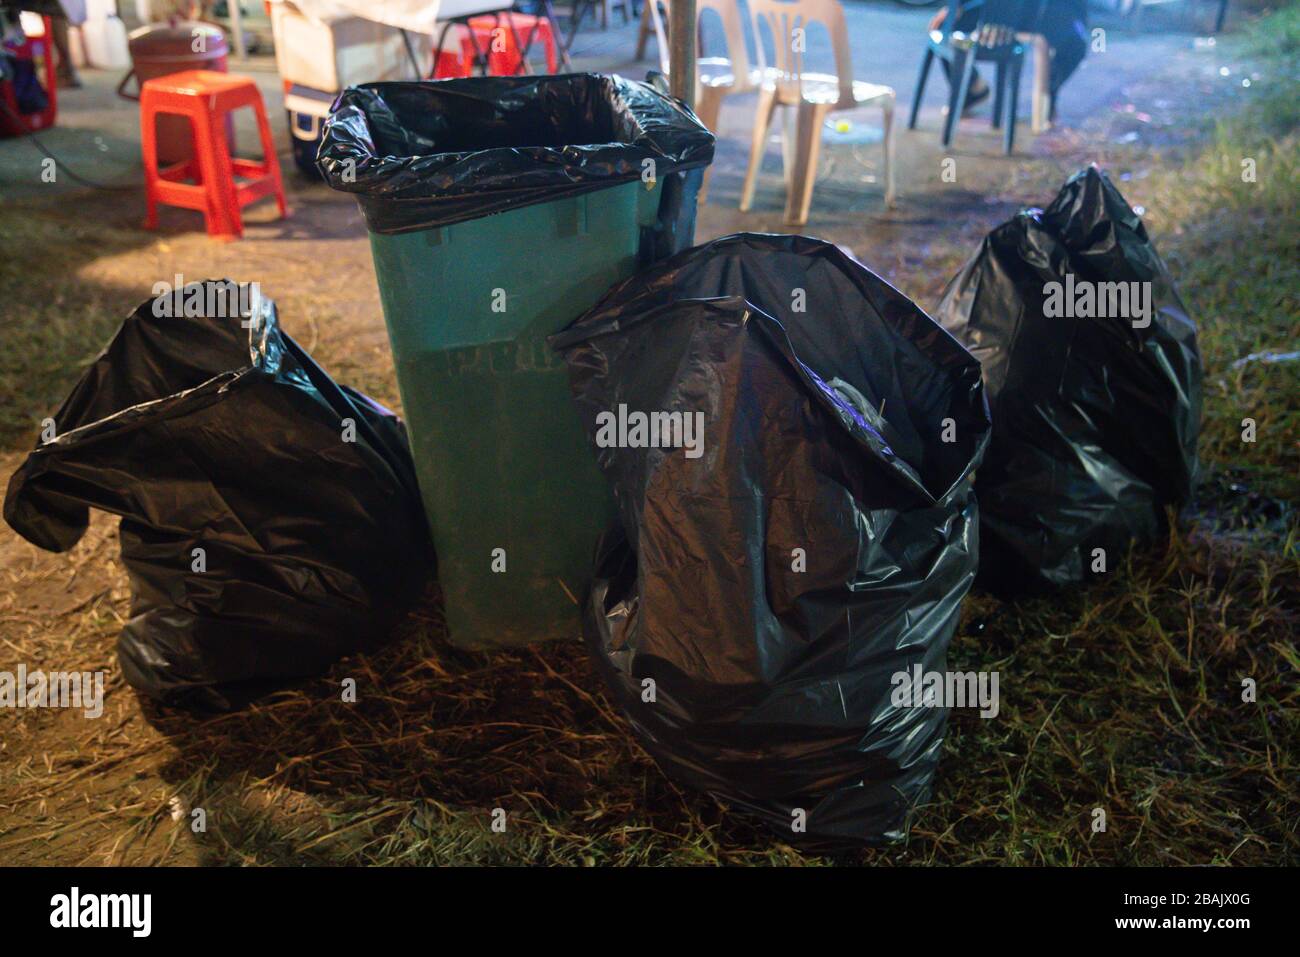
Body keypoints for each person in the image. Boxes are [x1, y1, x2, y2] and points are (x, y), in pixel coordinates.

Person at [931, 1, 1088, 119]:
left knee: (1076, 40)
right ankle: (973, 87)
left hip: (1041, 11)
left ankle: (1047, 97)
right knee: (944, 26)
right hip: (997, 13)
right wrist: (955, 7)